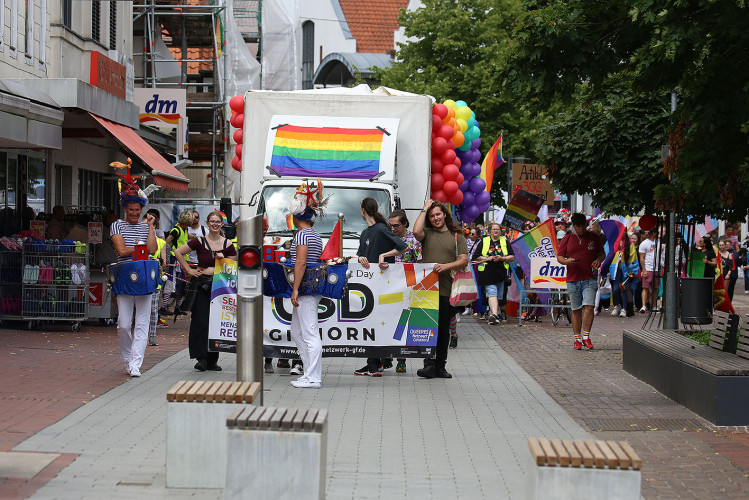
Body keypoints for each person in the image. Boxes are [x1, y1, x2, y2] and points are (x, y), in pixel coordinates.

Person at [412, 199, 468, 379]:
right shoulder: (427, 234)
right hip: (427, 290)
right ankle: (428, 365)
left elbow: (464, 259)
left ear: (444, 214)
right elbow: (415, 231)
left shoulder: (456, 235)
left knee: (443, 330)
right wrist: (424, 208)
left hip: (447, 290)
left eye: (438, 214)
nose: (435, 218)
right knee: (427, 327)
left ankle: (440, 366)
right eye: (432, 215)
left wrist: (446, 266)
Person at [174, 211, 236, 372]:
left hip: (220, 288)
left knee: (216, 322)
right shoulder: (199, 241)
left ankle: (212, 360)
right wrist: (189, 270)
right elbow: (178, 252)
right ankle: (201, 358)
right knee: (200, 321)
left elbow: (236, 262)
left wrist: (225, 259)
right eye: (212, 221)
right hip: (201, 285)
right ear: (207, 223)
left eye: (218, 222)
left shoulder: (228, 244)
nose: (215, 224)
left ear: (222, 224)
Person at [354, 197, 408, 377]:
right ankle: (373, 362)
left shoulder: (381, 229)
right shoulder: (365, 233)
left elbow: (403, 246)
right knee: (369, 322)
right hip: (368, 284)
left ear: (363, 211)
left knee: (376, 322)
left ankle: (374, 364)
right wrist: (361, 258)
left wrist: (385, 255)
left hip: (384, 285)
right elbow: (361, 255)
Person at [111, 197, 157, 377]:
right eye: (131, 210)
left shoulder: (146, 227)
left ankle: (135, 364)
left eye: (137, 210)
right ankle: (127, 358)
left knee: (143, 322)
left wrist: (151, 227)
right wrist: (140, 249)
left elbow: (152, 250)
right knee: (123, 323)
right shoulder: (117, 225)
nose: (135, 213)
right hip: (125, 276)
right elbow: (121, 251)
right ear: (125, 209)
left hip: (144, 276)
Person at [557, 213, 606, 350]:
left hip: (590, 277)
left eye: (584, 225)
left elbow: (602, 254)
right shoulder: (567, 238)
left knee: (589, 306)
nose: (582, 229)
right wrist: (567, 262)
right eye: (579, 226)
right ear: (574, 226)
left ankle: (586, 336)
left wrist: (599, 260)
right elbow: (560, 257)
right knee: (576, 309)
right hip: (573, 278)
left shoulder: (594, 237)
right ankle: (577, 339)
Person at [387, 209, 422, 371]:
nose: (393, 229)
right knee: (386, 321)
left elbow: (422, 264)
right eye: (391, 225)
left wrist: (405, 267)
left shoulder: (413, 241)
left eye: (396, 226)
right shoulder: (387, 237)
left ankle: (401, 360)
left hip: (406, 288)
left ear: (405, 223)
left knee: (402, 323)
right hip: (386, 287)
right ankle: (385, 357)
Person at [472, 222, 515, 325]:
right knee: (492, 292)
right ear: (490, 231)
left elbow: (512, 257)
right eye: (494, 229)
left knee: (499, 296)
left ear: (500, 231)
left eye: (498, 229)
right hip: (487, 272)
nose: (496, 231)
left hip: (501, 273)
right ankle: (495, 315)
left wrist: (502, 258)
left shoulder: (504, 242)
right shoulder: (484, 241)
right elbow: (476, 256)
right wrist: (488, 258)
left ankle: (492, 314)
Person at [610, 234, 639, 318]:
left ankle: (624, 308)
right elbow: (610, 255)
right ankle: (617, 305)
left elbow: (633, 257)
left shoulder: (629, 243)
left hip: (625, 269)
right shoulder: (614, 242)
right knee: (615, 289)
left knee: (624, 288)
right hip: (616, 269)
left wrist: (633, 270)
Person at [467, 227, 488, 321]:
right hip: (468, 266)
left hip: (477, 266)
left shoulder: (481, 243)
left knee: (478, 287)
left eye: (473, 234)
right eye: (470, 233)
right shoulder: (466, 242)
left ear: (478, 235)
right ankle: (469, 308)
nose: (470, 236)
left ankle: (480, 309)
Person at [638, 228, 661, 313]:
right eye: (656, 232)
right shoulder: (644, 243)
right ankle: (643, 306)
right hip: (648, 268)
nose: (658, 234)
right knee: (645, 288)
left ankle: (654, 306)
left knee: (655, 288)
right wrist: (644, 270)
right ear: (653, 233)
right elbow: (641, 258)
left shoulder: (658, 242)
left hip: (656, 268)